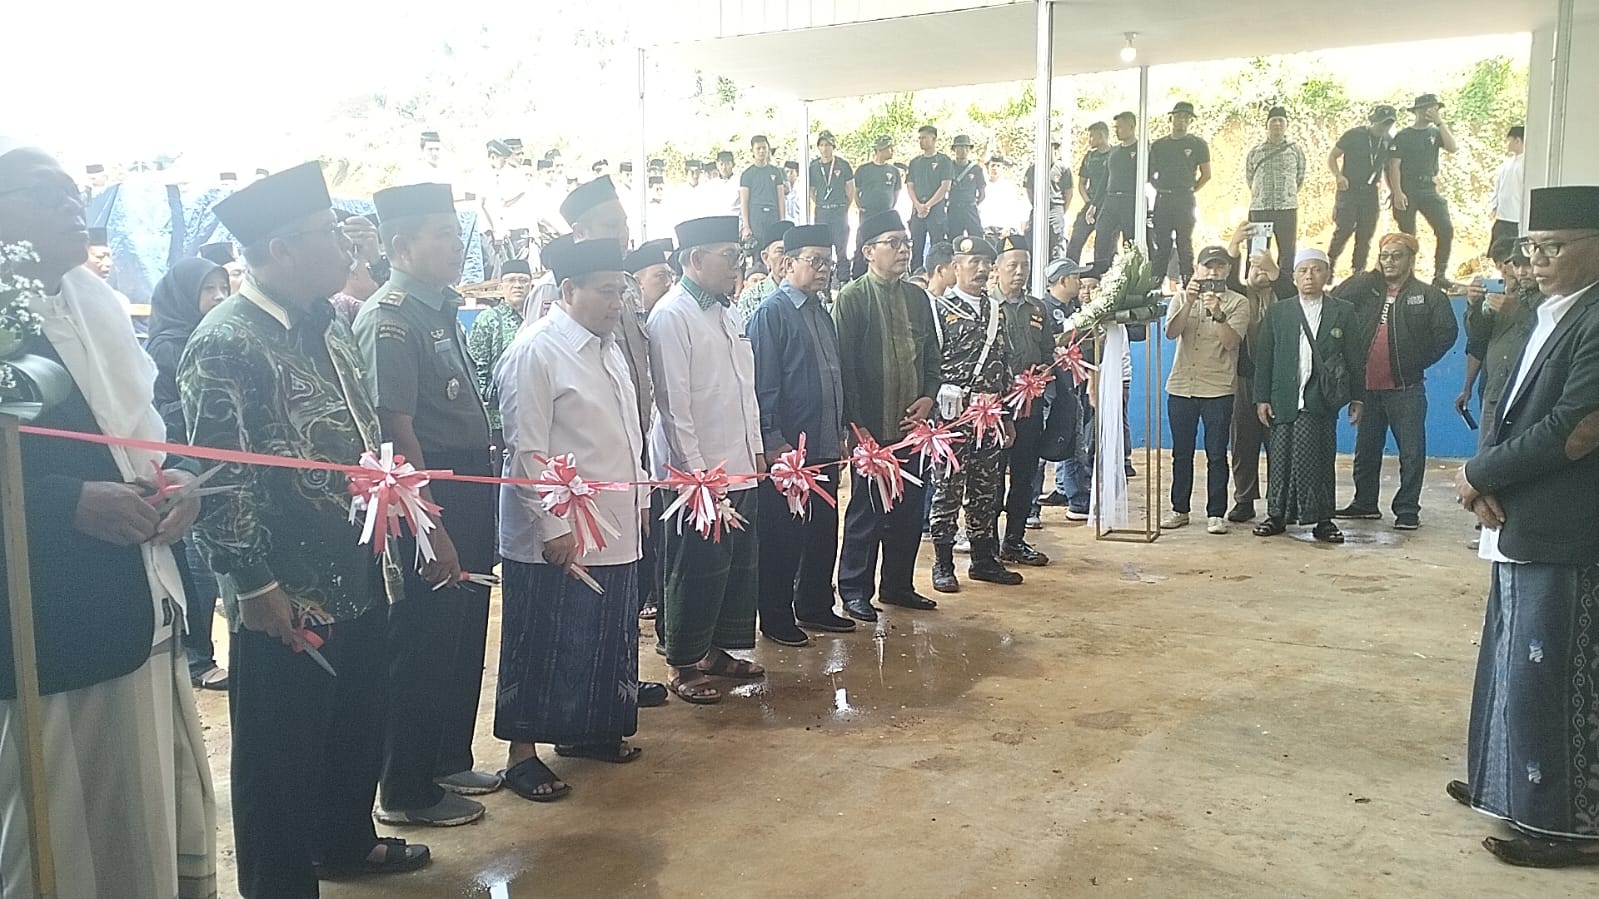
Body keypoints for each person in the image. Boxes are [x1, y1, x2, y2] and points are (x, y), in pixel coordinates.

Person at [181, 162, 429, 895]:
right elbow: (219, 476)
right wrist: (253, 582)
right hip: (287, 587)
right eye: (327, 233)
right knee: (280, 750)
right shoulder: (226, 340)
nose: (346, 247)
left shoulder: (329, 320)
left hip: (360, 562)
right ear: (281, 248)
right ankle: (279, 882)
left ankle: (344, 840)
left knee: (355, 721)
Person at [0, 138, 217, 899]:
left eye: (73, 190)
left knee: (145, 819)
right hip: (48, 630)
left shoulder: (94, 303)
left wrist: (176, 479)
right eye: (42, 191)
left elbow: (136, 436)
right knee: (62, 835)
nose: (71, 204)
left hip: (139, 602)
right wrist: (66, 502)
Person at [1452, 186, 1599, 868]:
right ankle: (1506, 787)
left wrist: (1481, 473)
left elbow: (1577, 428)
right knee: (1511, 663)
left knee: (1556, 675)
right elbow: (1507, 406)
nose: (1536, 260)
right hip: (1519, 514)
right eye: (1530, 247)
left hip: (1566, 522)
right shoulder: (1545, 312)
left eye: (1553, 247)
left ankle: (1568, 825)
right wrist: (1486, 480)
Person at [353, 184, 501, 828]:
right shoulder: (389, 318)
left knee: (461, 630)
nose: (456, 245)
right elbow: (395, 428)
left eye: (455, 231)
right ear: (400, 245)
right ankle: (406, 787)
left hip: (466, 484)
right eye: (441, 234)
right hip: (428, 492)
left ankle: (446, 758)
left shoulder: (437, 307)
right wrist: (430, 523)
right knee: (423, 637)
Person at [493, 236, 652, 799]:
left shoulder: (607, 347)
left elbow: (628, 430)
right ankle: (521, 754)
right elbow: (526, 447)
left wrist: (640, 498)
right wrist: (551, 525)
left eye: (621, 292)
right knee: (543, 635)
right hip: (561, 526)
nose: (617, 303)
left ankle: (585, 731)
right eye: (606, 292)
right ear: (568, 290)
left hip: (614, 518)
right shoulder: (536, 350)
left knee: (602, 630)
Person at [647, 216, 766, 705]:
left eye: (739, 256)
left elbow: (744, 389)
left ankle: (716, 651)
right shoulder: (671, 315)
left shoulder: (726, 311)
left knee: (733, 566)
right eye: (729, 256)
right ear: (695, 259)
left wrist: (756, 448)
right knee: (693, 567)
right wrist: (694, 474)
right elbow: (673, 405)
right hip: (694, 475)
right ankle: (682, 663)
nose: (737, 265)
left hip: (737, 462)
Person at [746, 225, 853, 645]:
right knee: (783, 536)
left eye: (829, 262)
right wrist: (773, 441)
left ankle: (815, 605)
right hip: (789, 453)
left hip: (824, 445)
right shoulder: (771, 314)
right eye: (816, 261)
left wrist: (840, 430)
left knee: (822, 530)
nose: (824, 269)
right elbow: (764, 385)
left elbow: (833, 377)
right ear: (788, 263)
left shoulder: (820, 310)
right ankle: (776, 617)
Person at [833, 210, 940, 621]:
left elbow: (932, 357)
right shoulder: (853, 298)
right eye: (892, 243)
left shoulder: (917, 297)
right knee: (867, 512)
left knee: (909, 510)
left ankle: (898, 585)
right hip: (871, 433)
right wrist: (857, 427)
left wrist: (928, 397)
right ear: (868, 251)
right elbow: (846, 369)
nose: (903, 250)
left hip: (913, 429)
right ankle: (855, 590)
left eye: (906, 243)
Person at [1331, 233, 1458, 530]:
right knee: (1366, 450)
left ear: (1411, 259)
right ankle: (1365, 503)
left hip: (1406, 388)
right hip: (1367, 389)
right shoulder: (1368, 291)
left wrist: (1416, 362)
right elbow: (1336, 299)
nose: (1389, 261)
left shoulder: (1428, 295)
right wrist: (1370, 275)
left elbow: (1446, 334)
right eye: (1384, 256)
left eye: (1396, 256)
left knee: (1411, 452)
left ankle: (1407, 509)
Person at [146, 257, 233, 692]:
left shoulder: (207, 336)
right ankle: (198, 658)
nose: (219, 297)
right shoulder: (172, 345)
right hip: (187, 470)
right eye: (208, 289)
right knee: (199, 566)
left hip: (207, 464)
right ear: (183, 295)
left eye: (223, 288)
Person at [1250, 247, 1365, 544]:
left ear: (1327, 274)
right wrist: (1262, 398)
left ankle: (1323, 520)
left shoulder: (1343, 311)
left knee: (1320, 459)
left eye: (1316, 270)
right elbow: (1265, 358)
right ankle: (1277, 515)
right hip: (1284, 398)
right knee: (1280, 458)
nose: (1309, 276)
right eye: (1303, 270)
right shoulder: (1279, 312)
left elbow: (1355, 358)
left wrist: (1358, 398)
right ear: (1294, 277)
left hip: (1321, 398)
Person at [928, 235, 1022, 594]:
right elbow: (928, 363)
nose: (981, 269)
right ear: (955, 267)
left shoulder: (997, 310)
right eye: (973, 263)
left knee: (986, 489)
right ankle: (943, 562)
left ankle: (983, 559)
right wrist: (938, 392)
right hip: (952, 418)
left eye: (986, 263)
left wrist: (1007, 416)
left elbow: (1005, 366)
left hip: (990, 417)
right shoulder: (939, 310)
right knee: (947, 489)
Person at [1161, 246, 1251, 535]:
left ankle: (1216, 513)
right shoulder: (1181, 297)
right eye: (1207, 267)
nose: (1213, 272)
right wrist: (1188, 302)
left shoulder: (1238, 302)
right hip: (1182, 386)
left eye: (1219, 267)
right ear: (1197, 269)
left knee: (1216, 453)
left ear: (1228, 270)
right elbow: (1171, 333)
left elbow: (1231, 343)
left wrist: (1218, 313)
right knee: (1181, 452)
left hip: (1218, 389)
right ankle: (1179, 509)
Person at [1222, 223, 1293, 524]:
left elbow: (1289, 290)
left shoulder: (1286, 300)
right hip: (1244, 379)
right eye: (1255, 268)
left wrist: (1272, 268)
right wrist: (1234, 244)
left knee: (1279, 444)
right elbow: (1227, 278)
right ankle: (1244, 499)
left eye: (1266, 269)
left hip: (1278, 383)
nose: (1261, 273)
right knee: (1242, 442)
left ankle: (1281, 502)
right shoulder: (1239, 297)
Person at [988, 235, 1053, 564]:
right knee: (991, 476)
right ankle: (987, 543)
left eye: (1024, 265)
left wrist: (1045, 368)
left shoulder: (1037, 308)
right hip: (993, 406)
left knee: (1025, 475)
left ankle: (1015, 540)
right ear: (997, 268)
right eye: (1012, 265)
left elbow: (1048, 351)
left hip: (1030, 405)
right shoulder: (986, 306)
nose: (1019, 272)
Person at [1460, 239, 1540, 446]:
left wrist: (1518, 312)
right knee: (1486, 454)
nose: (1521, 272)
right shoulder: (1503, 297)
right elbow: (1477, 338)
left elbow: (1549, 334)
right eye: (1516, 265)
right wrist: (1473, 304)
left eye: (1527, 264)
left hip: (1528, 394)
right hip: (1495, 390)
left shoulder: (1551, 299)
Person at [1388, 93, 1458, 289]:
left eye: (1435, 109)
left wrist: (1440, 122)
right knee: (1407, 236)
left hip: (1428, 188)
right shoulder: (1403, 136)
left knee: (1445, 229)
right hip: (1408, 187)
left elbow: (1453, 147)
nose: (1432, 112)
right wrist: (1397, 192)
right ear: (1418, 111)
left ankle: (1440, 275)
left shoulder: (1435, 132)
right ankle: (1407, 276)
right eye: (1429, 108)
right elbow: (1394, 165)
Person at [469, 257, 534, 449]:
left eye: (523, 281)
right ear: (501, 286)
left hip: (532, 413)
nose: (517, 286)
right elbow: (477, 367)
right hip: (498, 417)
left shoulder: (537, 319)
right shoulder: (488, 319)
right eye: (511, 280)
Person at [1148, 101, 1212, 286]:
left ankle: (1188, 283)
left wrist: (1191, 189)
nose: (1182, 120)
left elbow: (1206, 174)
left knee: (1185, 243)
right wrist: (1159, 187)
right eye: (1178, 116)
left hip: (1185, 198)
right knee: (1162, 244)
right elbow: (1150, 173)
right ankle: (1155, 284)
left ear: (1191, 121)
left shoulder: (1198, 144)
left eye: (1186, 117)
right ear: (1171, 118)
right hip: (1163, 198)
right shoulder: (1159, 145)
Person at [1328, 105, 1397, 276]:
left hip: (1370, 191)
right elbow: (1333, 156)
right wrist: (1338, 176)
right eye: (1382, 123)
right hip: (1349, 189)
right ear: (1374, 120)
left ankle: (1358, 271)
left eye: (1389, 124)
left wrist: (1392, 190)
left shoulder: (1388, 140)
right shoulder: (1354, 135)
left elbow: (1388, 168)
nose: (1385, 127)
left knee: (1366, 232)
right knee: (1344, 228)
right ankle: (1329, 264)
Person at [1245, 106, 1307, 274]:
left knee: (1287, 251)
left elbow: (1300, 176)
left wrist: (1287, 194)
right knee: (1257, 249)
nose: (1277, 124)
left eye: (1281, 121)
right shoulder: (1255, 151)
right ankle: (1255, 283)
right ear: (1267, 125)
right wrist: (1261, 194)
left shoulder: (1295, 149)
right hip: (1260, 209)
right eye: (1273, 121)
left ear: (1286, 125)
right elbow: (1250, 177)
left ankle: (1284, 283)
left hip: (1286, 208)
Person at [1092, 112, 1139, 276]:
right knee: (1102, 235)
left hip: (1131, 200)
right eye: (1116, 127)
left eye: (1120, 127)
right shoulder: (1114, 151)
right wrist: (1094, 204)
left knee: (1130, 242)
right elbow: (1105, 178)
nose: (1117, 131)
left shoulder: (1142, 149)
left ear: (1131, 127)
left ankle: (1130, 276)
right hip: (1110, 199)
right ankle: (1100, 274)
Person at [810, 130, 856, 283]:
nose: (824, 148)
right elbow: (811, 190)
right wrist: (821, 203)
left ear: (833, 146)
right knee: (823, 249)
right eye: (822, 145)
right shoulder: (814, 166)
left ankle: (843, 280)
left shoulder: (842, 165)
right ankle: (825, 284)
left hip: (839, 211)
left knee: (841, 249)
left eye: (828, 145)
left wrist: (843, 206)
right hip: (822, 212)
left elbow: (850, 189)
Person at [906, 125, 954, 272]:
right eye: (920, 138)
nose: (921, 141)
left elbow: (945, 186)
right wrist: (918, 205)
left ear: (933, 139)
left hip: (936, 209)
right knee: (917, 245)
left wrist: (928, 205)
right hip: (917, 210)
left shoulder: (944, 160)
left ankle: (937, 274)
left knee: (937, 246)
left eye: (924, 138)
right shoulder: (915, 162)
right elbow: (910, 186)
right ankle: (915, 274)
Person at [1066, 122, 1111, 266]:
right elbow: (1081, 184)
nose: (1089, 140)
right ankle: (1071, 271)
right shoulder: (1090, 157)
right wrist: (1089, 202)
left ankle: (1101, 274)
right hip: (1091, 204)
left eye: (1092, 136)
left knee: (1104, 246)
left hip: (1109, 206)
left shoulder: (1115, 154)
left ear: (1101, 135)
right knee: (1076, 239)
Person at [1023, 139, 1072, 261]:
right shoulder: (1033, 168)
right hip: (1038, 208)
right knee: (1033, 239)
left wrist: (1060, 210)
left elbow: (1069, 193)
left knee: (1056, 242)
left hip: (1056, 207)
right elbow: (1029, 189)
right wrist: (1036, 204)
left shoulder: (1062, 168)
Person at [737, 219, 792, 323]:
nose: (787, 259)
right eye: (780, 251)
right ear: (766, 257)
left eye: (792, 253)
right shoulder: (751, 297)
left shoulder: (813, 294)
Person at [739, 134, 785, 242]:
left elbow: (781, 198)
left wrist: (782, 221)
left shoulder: (776, 172)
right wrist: (746, 226)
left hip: (773, 215)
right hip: (756, 217)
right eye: (758, 148)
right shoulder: (747, 174)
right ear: (752, 151)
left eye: (764, 148)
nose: (761, 151)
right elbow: (744, 201)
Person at [1489, 126, 1526, 252]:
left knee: (1513, 252)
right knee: (1498, 251)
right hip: (1502, 215)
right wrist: (1494, 206)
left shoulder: (1527, 164)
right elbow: (1498, 186)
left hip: (1517, 217)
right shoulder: (1506, 164)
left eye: (1509, 140)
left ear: (1518, 140)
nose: (1507, 144)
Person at [946, 134, 986, 242]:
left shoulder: (976, 169)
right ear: (954, 149)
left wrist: (973, 203)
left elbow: (982, 192)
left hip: (970, 207)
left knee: (977, 238)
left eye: (965, 147)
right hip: (954, 208)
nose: (963, 150)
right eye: (959, 147)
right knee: (953, 239)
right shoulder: (948, 167)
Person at [855, 135, 903, 222]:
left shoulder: (894, 170)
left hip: (886, 213)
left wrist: (891, 207)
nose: (892, 151)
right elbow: (855, 191)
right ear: (880, 150)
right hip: (867, 213)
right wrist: (859, 206)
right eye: (889, 148)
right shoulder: (863, 169)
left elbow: (896, 191)